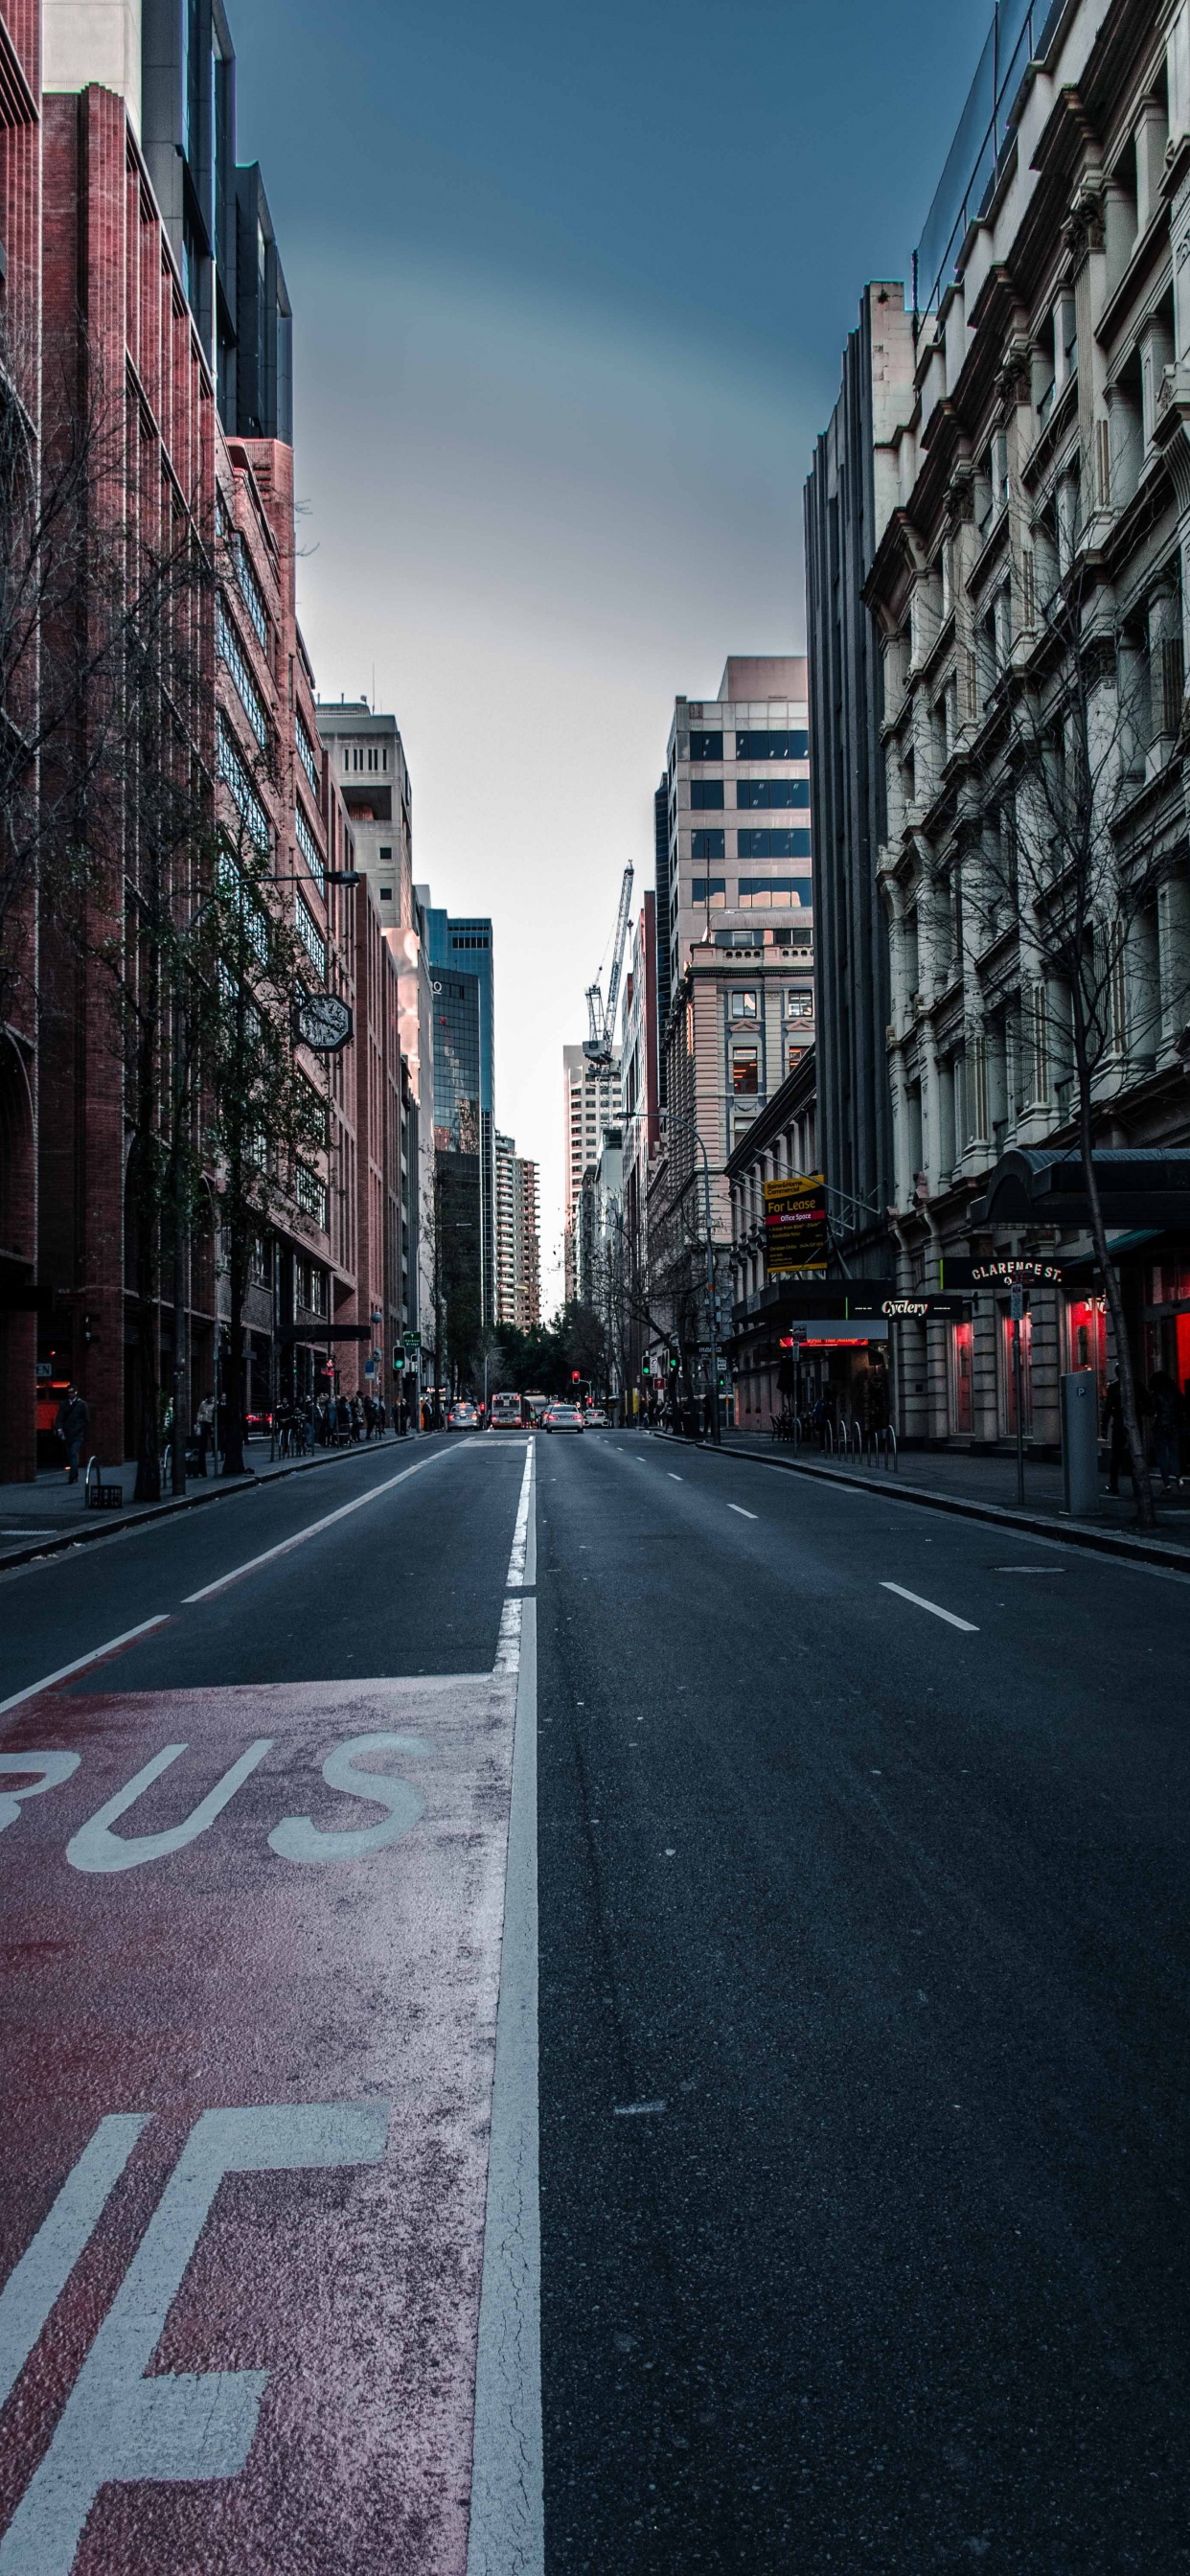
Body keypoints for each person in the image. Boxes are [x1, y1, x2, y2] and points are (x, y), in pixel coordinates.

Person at [1149, 1369, 1183, 1492]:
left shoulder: (1155, 1394)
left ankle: (1167, 1483)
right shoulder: (1174, 1393)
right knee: (1175, 1453)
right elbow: (1181, 1406)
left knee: (1162, 1455)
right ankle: (1178, 1478)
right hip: (1174, 1425)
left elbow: (1151, 1410)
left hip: (1160, 1426)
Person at [55, 1383, 89, 1484]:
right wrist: (60, 1429)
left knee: (73, 1453)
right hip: (67, 1434)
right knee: (71, 1455)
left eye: (72, 1392)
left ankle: (72, 1477)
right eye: (69, 1392)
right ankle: (75, 1474)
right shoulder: (64, 1404)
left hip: (77, 1434)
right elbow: (59, 1418)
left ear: (76, 1392)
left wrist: (81, 1431)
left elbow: (85, 1420)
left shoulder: (82, 1404)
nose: (70, 1394)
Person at [195, 1392, 214, 1475]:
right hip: (203, 1423)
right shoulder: (203, 1403)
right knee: (203, 1442)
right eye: (208, 1397)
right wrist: (199, 1420)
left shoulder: (215, 1404)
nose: (209, 1399)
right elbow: (199, 1412)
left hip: (211, 1423)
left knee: (212, 1439)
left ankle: (215, 1451)